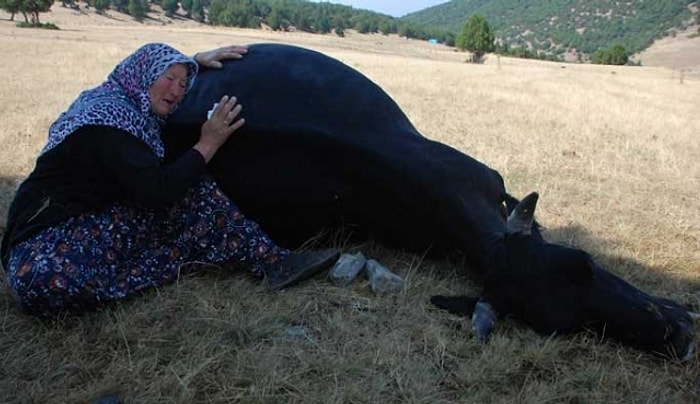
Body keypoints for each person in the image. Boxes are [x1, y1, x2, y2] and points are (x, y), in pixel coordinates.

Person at [0, 43, 340, 317]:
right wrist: (208, 143)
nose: (177, 91)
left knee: (188, 196)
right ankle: (242, 258)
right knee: (46, 284)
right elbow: (157, 191)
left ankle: (261, 258)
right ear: (144, 74)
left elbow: (146, 174)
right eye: (169, 78)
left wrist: (191, 63)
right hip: (43, 241)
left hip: (80, 225)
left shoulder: (118, 102)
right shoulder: (110, 122)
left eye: (183, 84)